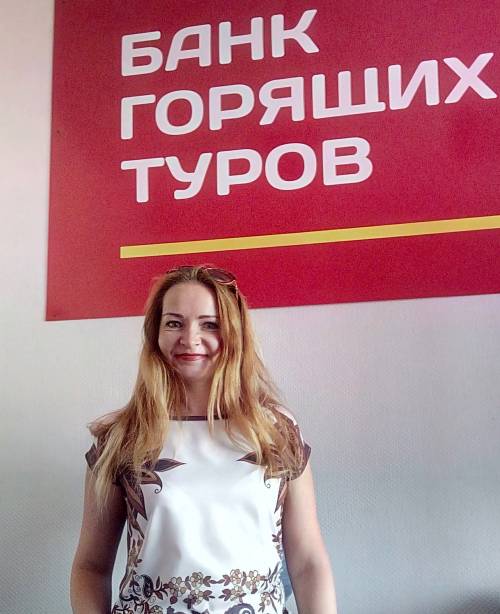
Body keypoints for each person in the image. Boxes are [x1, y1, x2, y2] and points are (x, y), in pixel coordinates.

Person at [70, 265, 338, 614]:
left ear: (234, 332)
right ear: (155, 332)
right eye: (174, 323)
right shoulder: (122, 437)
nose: (190, 338)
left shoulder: (276, 431)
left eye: (209, 324)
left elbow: (307, 562)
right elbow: (91, 567)